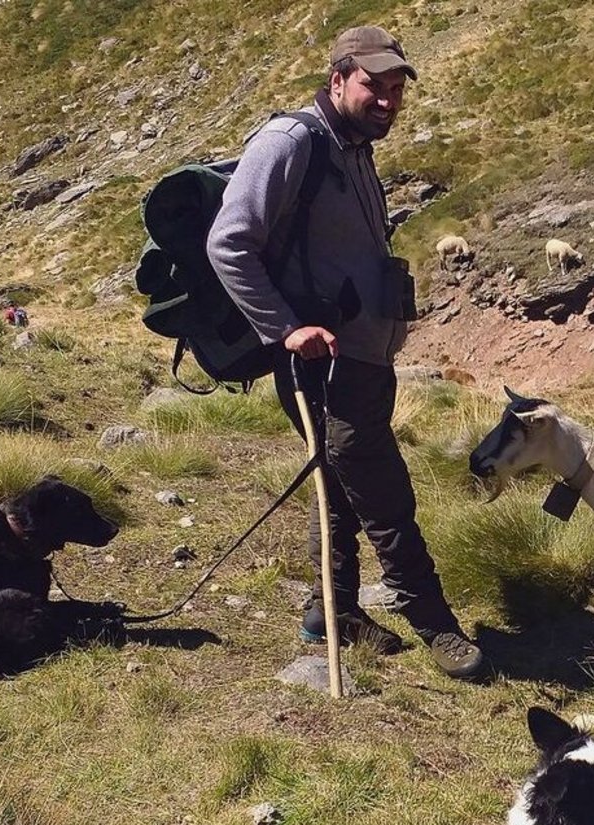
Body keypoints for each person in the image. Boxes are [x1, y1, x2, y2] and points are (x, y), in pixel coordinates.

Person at [206, 25, 484, 680]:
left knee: (335, 486)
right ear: (337, 80)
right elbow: (228, 241)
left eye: (395, 89)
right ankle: (435, 622)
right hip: (324, 362)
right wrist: (283, 327)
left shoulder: (354, 148)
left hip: (363, 356)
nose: (387, 100)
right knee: (385, 496)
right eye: (373, 86)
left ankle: (327, 613)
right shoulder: (291, 142)